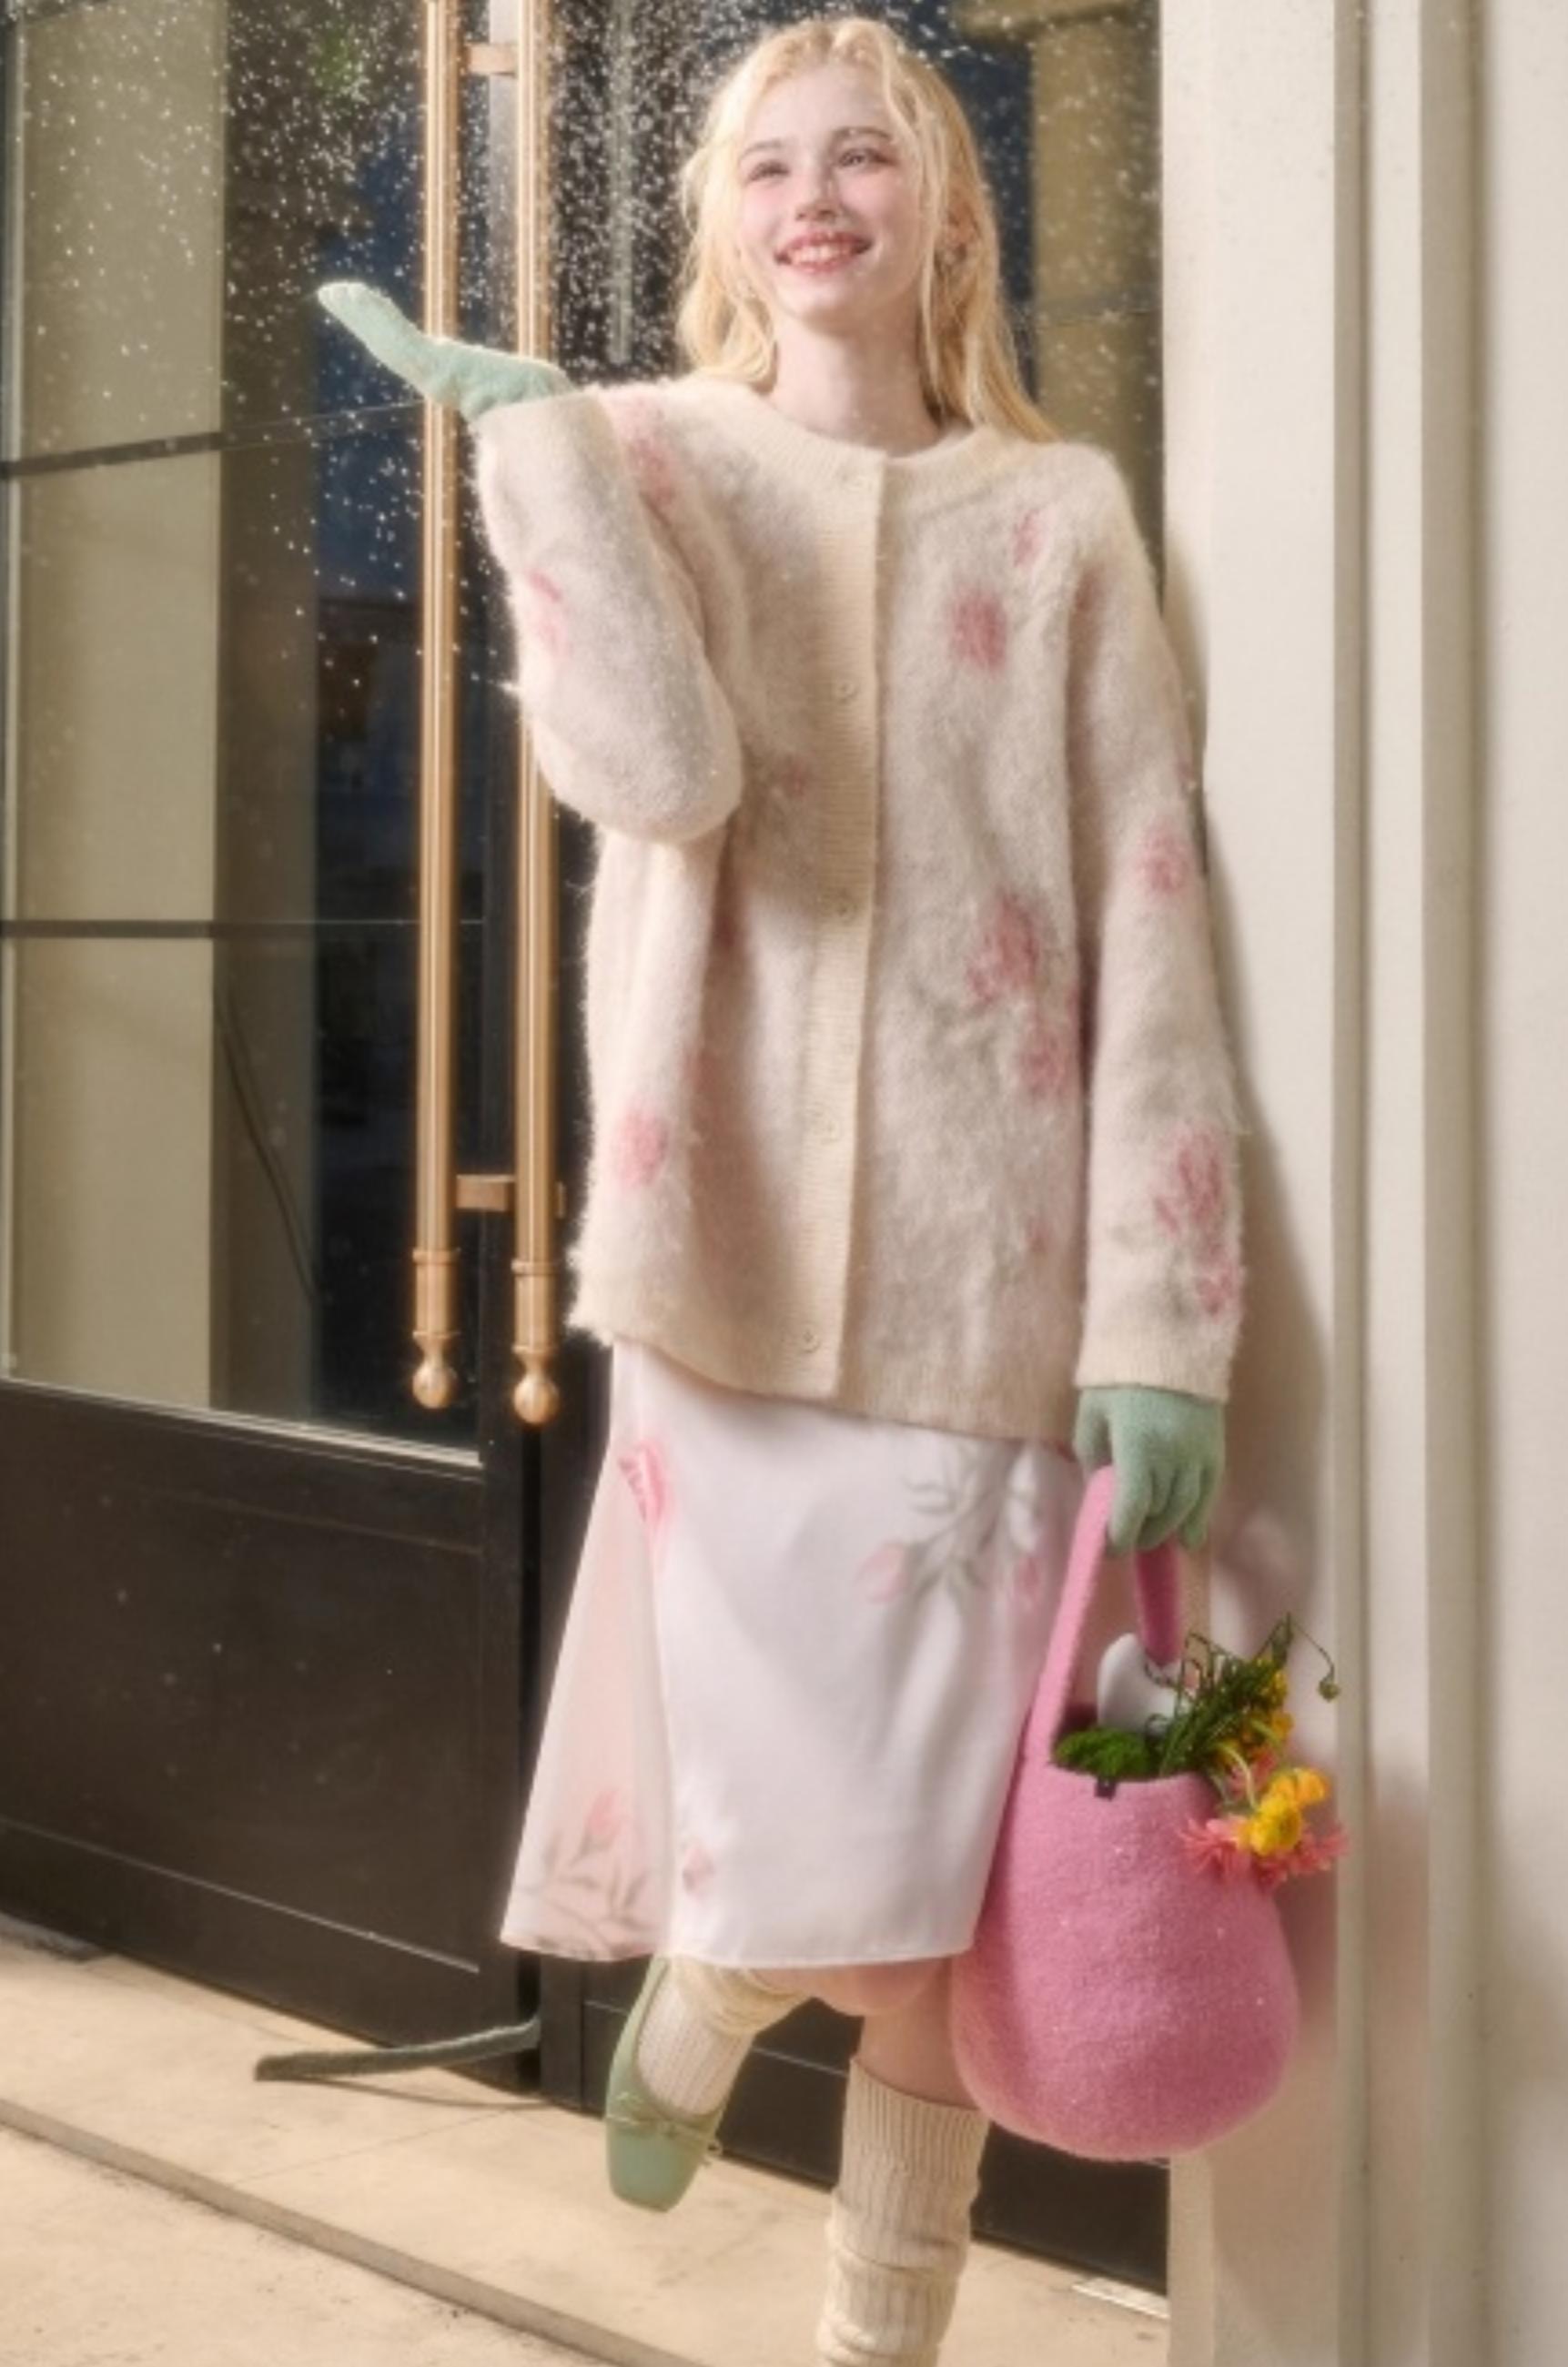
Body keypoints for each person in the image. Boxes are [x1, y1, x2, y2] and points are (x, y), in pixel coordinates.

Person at [320, 15, 1246, 2362]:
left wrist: (1161, 1319)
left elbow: (1150, 920)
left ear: (952, 211)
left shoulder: (1063, 521)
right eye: (766, 166)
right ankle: (727, 1975)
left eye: (866, 156)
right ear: (722, 228)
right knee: (838, 1850)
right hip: (723, 1263)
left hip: (989, 1282)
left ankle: (866, 2329)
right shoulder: (650, 456)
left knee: (943, 1895)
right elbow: (659, 777)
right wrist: (537, 449)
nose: (816, 196)